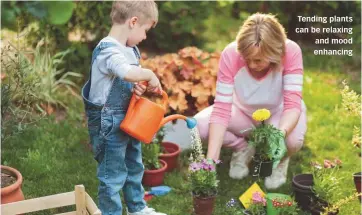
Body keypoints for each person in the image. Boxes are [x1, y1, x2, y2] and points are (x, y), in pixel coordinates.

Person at [195, 13, 307, 189]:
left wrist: (278, 136)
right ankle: (243, 148)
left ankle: (281, 161)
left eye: (259, 60)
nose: (252, 64)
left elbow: (293, 105)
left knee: (292, 141)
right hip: (242, 113)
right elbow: (222, 110)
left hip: (279, 112)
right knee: (199, 126)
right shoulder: (231, 54)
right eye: (248, 59)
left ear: (275, 52)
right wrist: (211, 160)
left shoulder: (290, 51)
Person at [81, 1, 166, 215]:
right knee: (113, 174)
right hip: (108, 124)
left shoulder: (130, 50)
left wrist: (136, 89)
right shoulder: (108, 50)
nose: (145, 37)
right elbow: (125, 72)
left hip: (129, 118)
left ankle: (137, 208)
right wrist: (148, 74)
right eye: (145, 31)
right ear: (133, 21)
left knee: (134, 166)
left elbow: (126, 81)